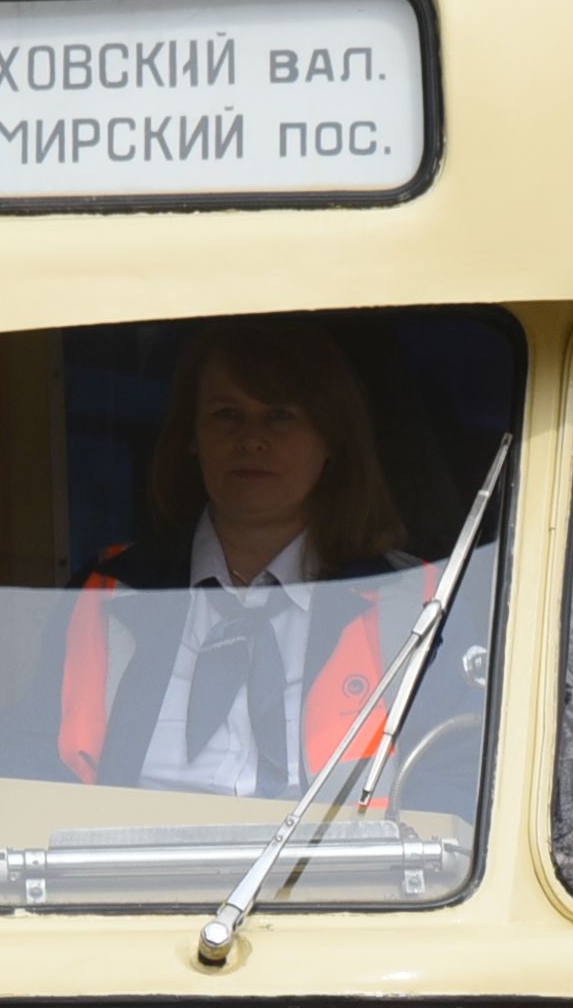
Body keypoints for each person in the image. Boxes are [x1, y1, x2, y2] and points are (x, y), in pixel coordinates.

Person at [53, 322, 420, 796]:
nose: (251, 439)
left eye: (281, 416)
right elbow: (27, 759)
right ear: (192, 435)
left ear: (331, 436)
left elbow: (454, 782)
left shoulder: (413, 602)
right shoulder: (106, 591)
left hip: (335, 871)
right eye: (227, 414)